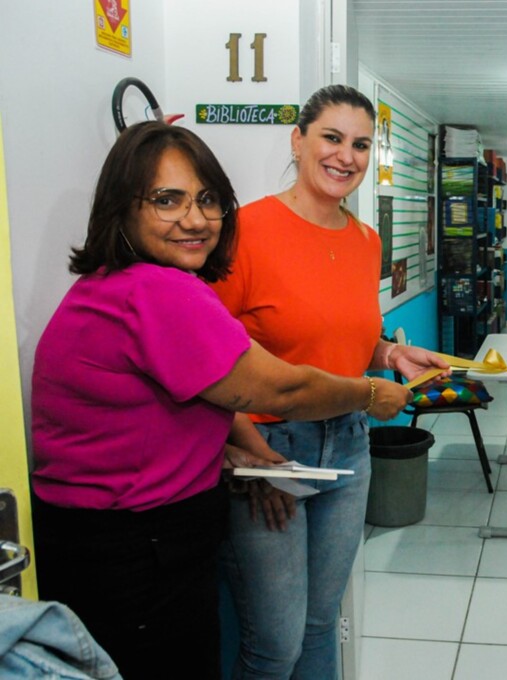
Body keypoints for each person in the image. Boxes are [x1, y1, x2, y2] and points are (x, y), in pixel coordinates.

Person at [30, 121, 414, 680]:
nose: (194, 219)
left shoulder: (132, 283)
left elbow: (190, 390)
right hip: (132, 546)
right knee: (268, 644)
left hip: (147, 527)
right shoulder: (157, 291)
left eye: (207, 200)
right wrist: (370, 393)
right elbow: (277, 387)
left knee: (313, 623)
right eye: (167, 200)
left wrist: (239, 449)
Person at [210, 84, 448, 679]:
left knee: (322, 628)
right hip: (270, 450)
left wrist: (390, 355)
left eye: (361, 145)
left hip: (347, 443)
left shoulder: (366, 240)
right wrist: (252, 456)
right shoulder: (244, 232)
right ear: (298, 140)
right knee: (274, 644)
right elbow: (209, 365)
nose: (346, 156)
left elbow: (335, 338)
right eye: (332, 138)